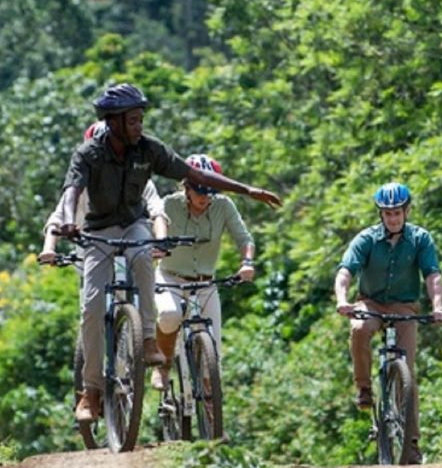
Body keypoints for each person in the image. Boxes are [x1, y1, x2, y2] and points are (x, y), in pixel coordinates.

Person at [56, 83, 282, 422]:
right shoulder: (88, 153)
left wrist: (247, 189)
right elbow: (72, 189)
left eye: (140, 119)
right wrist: (69, 224)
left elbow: (193, 173)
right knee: (90, 308)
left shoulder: (148, 150)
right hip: (98, 231)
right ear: (114, 122)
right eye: (133, 120)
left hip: (133, 224)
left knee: (145, 255)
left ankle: (148, 339)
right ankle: (90, 391)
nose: (139, 126)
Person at [334, 181, 442, 464]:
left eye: (397, 213)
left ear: (406, 211)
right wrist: (342, 299)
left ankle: (411, 445)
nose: (393, 218)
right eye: (387, 214)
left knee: (407, 373)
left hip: (404, 305)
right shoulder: (366, 239)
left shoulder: (421, 239)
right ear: (381, 215)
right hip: (370, 303)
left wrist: (437, 307)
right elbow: (346, 270)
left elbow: (432, 275)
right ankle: (363, 388)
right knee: (359, 328)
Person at [151, 153, 257, 391]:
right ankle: (163, 365)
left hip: (205, 283)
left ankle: (212, 418)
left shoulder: (224, 206)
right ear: (186, 187)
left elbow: (244, 238)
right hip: (170, 278)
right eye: (200, 190)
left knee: (213, 353)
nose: (205, 197)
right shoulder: (169, 204)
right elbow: (153, 233)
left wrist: (247, 262)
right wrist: (155, 248)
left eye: (211, 191)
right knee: (169, 315)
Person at [38, 122, 168, 264]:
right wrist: (48, 248)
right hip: (92, 247)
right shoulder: (79, 188)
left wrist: (161, 241)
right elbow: (57, 219)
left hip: (132, 246)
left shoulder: (139, 179)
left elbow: (157, 211)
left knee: (143, 274)